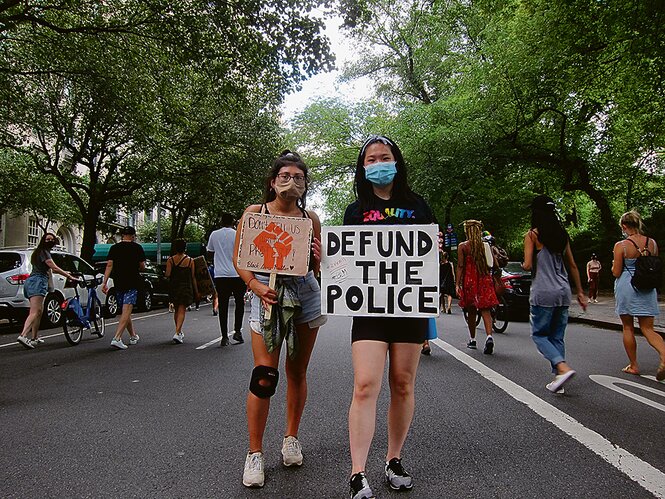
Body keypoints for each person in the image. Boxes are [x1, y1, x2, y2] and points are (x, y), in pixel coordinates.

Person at [344, 135, 437, 498]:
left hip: (409, 307)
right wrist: (327, 257)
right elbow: (344, 264)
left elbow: (430, 257)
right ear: (363, 167)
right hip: (368, 308)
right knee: (365, 384)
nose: (378, 163)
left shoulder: (417, 205)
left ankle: (393, 459)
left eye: (384, 157)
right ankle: (357, 472)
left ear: (396, 162)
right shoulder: (355, 211)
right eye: (371, 159)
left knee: (402, 383)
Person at [235, 150, 326, 489]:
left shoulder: (310, 219)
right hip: (265, 295)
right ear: (272, 182)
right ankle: (254, 452)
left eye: (298, 177)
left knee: (297, 370)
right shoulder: (254, 213)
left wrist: (319, 258)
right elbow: (241, 257)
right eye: (285, 176)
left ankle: (291, 438)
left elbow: (316, 268)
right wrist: (255, 284)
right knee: (264, 374)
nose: (292, 181)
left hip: (305, 296)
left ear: (305, 184)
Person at [522, 195, 587, 393]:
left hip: (543, 291)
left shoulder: (533, 235)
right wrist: (581, 292)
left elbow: (527, 265)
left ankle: (562, 367)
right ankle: (559, 380)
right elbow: (574, 265)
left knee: (540, 335)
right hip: (563, 291)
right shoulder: (562, 235)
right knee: (557, 336)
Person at [611, 210, 665, 380]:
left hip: (627, 286)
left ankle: (633, 365)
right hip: (647, 287)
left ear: (624, 226)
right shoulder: (653, 243)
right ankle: (664, 355)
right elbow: (652, 265)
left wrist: (613, 265)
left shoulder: (621, 245)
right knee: (648, 328)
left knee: (627, 327)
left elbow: (616, 272)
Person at [16, 233, 79, 349]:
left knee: (39, 311)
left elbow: (49, 270)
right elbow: (53, 267)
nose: (50, 241)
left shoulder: (38, 253)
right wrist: (69, 276)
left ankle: (34, 337)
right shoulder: (44, 252)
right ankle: (23, 335)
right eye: (47, 239)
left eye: (52, 239)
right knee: (35, 311)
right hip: (38, 282)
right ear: (43, 241)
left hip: (32, 281)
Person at [456, 220, 498, 355]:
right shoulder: (485, 245)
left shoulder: (463, 246)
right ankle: (489, 336)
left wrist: (457, 283)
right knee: (486, 309)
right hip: (484, 279)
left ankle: (473, 339)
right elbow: (493, 263)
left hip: (470, 280)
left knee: (472, 310)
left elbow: (460, 266)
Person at [102, 226, 146, 350]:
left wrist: (104, 282)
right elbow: (142, 266)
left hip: (119, 282)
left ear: (122, 235)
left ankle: (133, 335)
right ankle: (117, 338)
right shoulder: (137, 248)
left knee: (125, 311)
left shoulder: (114, 248)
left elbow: (109, 265)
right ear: (133, 236)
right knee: (127, 310)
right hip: (132, 281)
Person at [207, 213, 246, 346]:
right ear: (233, 221)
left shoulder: (214, 234)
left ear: (221, 221)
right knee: (239, 303)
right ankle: (237, 331)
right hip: (237, 274)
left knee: (223, 306)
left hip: (221, 275)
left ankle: (224, 336)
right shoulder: (238, 234)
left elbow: (209, 252)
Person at [165, 238, 199, 344]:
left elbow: (167, 274)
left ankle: (178, 331)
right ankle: (177, 331)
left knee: (176, 309)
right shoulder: (190, 261)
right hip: (186, 287)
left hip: (174, 287)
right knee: (182, 309)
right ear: (185, 248)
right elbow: (193, 277)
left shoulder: (170, 260)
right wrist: (196, 291)